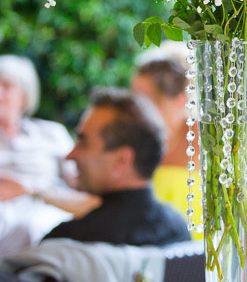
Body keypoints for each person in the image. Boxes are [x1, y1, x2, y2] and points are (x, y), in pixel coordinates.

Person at [131, 58, 247, 240]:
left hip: (195, 252)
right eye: (134, 97)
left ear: (179, 100)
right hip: (146, 244)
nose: (136, 107)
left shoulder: (204, 136)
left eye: (146, 99)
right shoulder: (135, 139)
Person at [42, 88, 190, 246]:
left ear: (121, 160)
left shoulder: (68, 242)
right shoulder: (178, 232)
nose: (70, 155)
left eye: (83, 143)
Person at [0, 55, 93, 257]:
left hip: (45, 212)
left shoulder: (51, 134)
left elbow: (81, 187)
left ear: (24, 96)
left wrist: (30, 189)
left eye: (6, 86)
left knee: (33, 227)